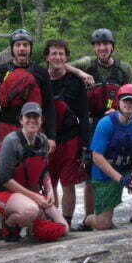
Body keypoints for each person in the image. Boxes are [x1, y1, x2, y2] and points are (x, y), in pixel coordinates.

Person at [68, 28, 132, 219]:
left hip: (115, 123)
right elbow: (61, 66)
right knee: (90, 174)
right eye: (98, 45)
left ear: (112, 47)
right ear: (94, 48)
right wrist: (81, 73)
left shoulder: (123, 69)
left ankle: (104, 215)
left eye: (106, 44)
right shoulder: (88, 63)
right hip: (91, 124)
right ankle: (90, 218)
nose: (102, 48)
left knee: (110, 168)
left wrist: (120, 112)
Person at [80, 84, 132, 230]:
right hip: (106, 173)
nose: (128, 104)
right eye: (125, 100)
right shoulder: (106, 123)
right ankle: (87, 220)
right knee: (103, 225)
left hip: (128, 168)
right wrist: (121, 179)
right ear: (118, 102)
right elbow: (96, 156)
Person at [0, 102, 68, 242]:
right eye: (28, 116)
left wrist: (49, 190)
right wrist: (35, 197)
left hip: (29, 194)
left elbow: (44, 172)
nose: (32, 120)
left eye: (36, 117)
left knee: (64, 228)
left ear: (41, 120)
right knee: (32, 211)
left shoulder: (43, 140)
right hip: (3, 193)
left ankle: (32, 229)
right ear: (21, 120)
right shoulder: (11, 142)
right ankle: (7, 227)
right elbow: (5, 179)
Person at [44, 39, 90, 226]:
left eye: (61, 54)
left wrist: (85, 145)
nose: (57, 57)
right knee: (49, 183)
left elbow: (84, 116)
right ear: (46, 56)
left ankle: (68, 222)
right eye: (53, 53)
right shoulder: (40, 79)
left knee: (68, 183)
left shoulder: (76, 83)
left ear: (67, 57)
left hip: (71, 139)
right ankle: (55, 221)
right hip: (47, 139)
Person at [0, 28, 56, 150]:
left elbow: (49, 106)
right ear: (12, 49)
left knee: (34, 166)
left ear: (30, 48)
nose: (21, 48)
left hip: (34, 127)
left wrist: (51, 137)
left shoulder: (41, 73)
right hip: (5, 127)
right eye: (17, 45)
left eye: (25, 45)